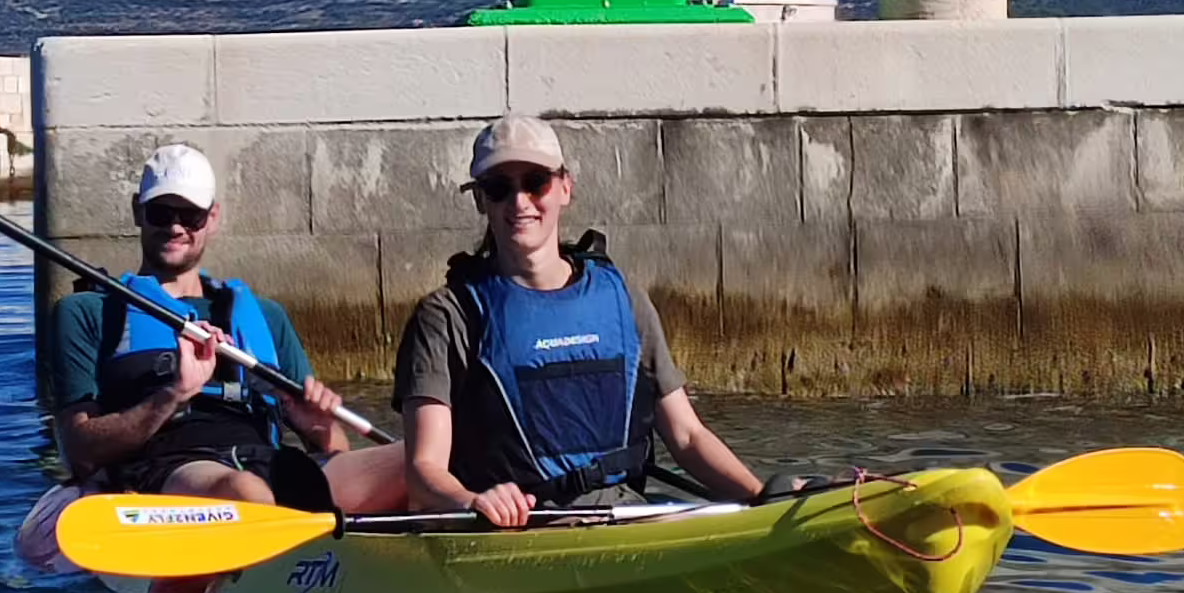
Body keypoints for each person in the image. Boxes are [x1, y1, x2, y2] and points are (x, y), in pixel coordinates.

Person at [392, 115, 767, 527]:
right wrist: (472, 500)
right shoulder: (446, 317)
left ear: (565, 188)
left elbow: (687, 436)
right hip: (515, 530)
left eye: (536, 183)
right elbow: (424, 473)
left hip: (624, 514)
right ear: (481, 200)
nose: (519, 202)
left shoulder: (623, 297)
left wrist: (764, 497)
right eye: (499, 188)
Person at [49, 142, 407, 515]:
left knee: (421, 462)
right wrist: (173, 394)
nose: (175, 226)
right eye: (161, 212)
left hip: (269, 464)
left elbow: (333, 447)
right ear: (138, 211)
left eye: (190, 216)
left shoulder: (267, 316)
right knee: (246, 490)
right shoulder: (89, 312)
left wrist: (318, 429)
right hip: (174, 470)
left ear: (212, 217)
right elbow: (81, 451)